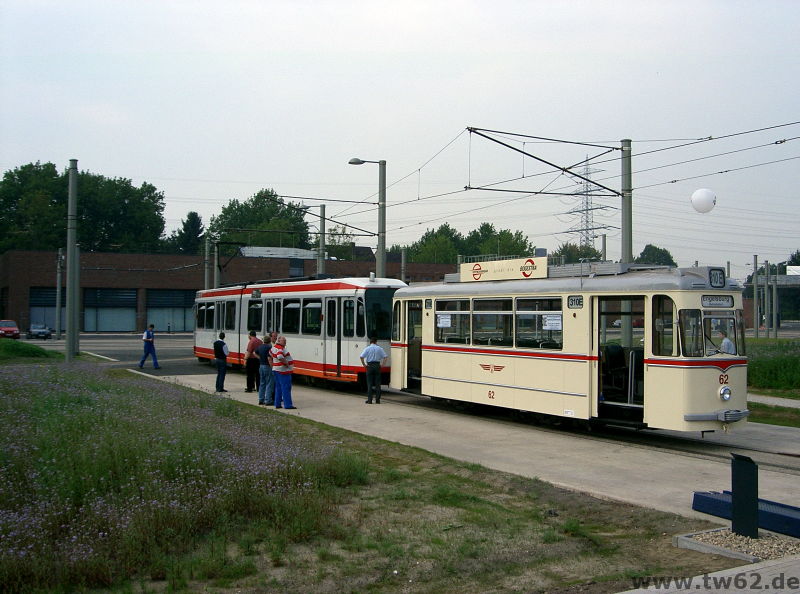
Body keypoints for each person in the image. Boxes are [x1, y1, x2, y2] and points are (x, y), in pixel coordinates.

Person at [360, 336, 387, 404]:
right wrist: (382, 365)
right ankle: (377, 400)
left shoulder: (367, 348)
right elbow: (385, 357)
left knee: (369, 384)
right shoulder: (379, 348)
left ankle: (370, 400)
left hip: (369, 366)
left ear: (370, 342)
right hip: (377, 366)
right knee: (378, 384)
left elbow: (361, 357)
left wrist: (364, 365)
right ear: (376, 342)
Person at [270, 335, 295, 409]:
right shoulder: (280, 348)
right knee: (286, 388)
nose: (285, 342)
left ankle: (277, 404)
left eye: (285, 341)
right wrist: (286, 363)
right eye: (284, 341)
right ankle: (288, 405)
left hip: (276, 370)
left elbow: (270, 354)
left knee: (278, 387)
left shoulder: (274, 347)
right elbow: (280, 356)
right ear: (279, 341)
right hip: (283, 371)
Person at [255, 335, 274, 406]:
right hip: (267, 366)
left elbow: (254, 353)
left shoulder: (260, 347)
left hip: (261, 366)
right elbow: (269, 358)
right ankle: (268, 400)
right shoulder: (269, 347)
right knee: (269, 383)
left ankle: (261, 399)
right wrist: (272, 367)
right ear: (269, 341)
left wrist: (260, 358)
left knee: (262, 383)